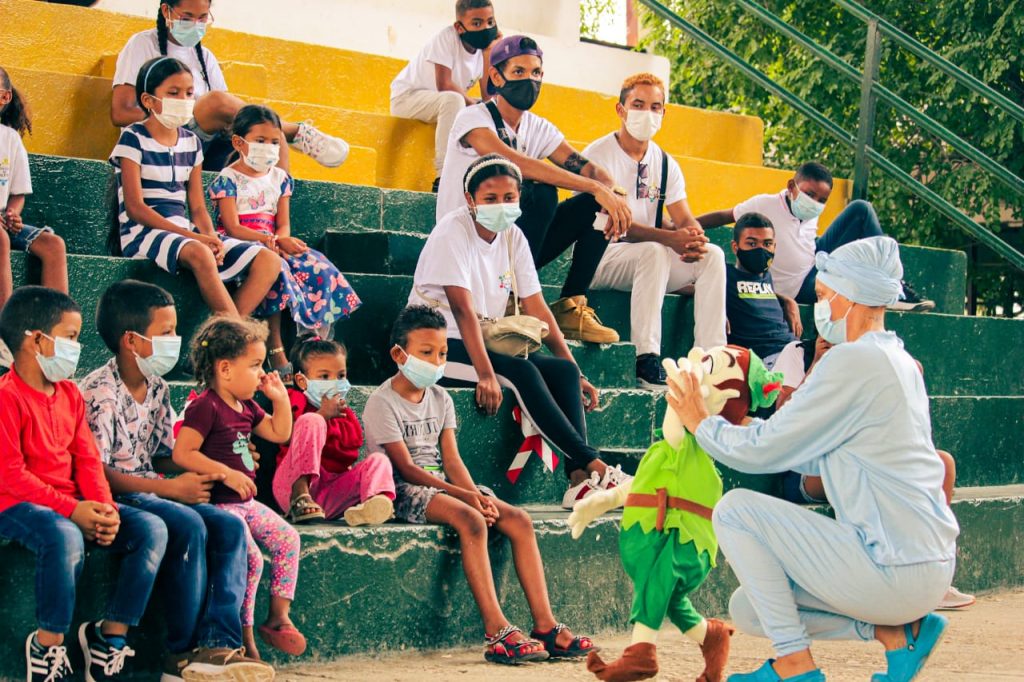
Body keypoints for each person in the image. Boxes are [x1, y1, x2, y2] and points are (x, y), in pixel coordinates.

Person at [666, 237, 958, 682]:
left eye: (823, 297)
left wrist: (702, 422)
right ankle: (899, 634)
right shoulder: (896, 358)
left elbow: (765, 454)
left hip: (895, 566)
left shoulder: (855, 360)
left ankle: (794, 667)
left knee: (736, 511)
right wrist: (752, 427)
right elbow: (809, 451)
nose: (819, 307)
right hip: (925, 565)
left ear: (851, 297)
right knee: (751, 608)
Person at [363, 304, 599, 665]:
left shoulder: (441, 398)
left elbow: (453, 460)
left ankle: (546, 626)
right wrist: (467, 499)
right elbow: (406, 470)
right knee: (471, 520)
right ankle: (497, 630)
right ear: (399, 354)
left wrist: (474, 493)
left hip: (445, 486)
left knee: (518, 519)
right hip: (401, 492)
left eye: (442, 353)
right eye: (426, 353)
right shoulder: (382, 402)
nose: (436, 361)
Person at [411, 155, 631, 508]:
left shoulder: (513, 236)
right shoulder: (453, 231)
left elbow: (537, 306)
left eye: (509, 198)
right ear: (470, 200)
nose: (501, 206)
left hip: (483, 337)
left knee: (561, 371)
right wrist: (485, 375)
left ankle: (579, 480)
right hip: (434, 344)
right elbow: (462, 311)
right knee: (521, 372)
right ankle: (595, 464)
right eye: (490, 199)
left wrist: (574, 368)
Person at [80, 280, 274, 681]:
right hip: (122, 494)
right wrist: (172, 488)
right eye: (165, 332)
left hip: (153, 487)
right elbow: (97, 472)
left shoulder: (158, 387)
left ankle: (218, 643)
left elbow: (164, 454)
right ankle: (180, 653)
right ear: (131, 340)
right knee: (188, 524)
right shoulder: (100, 392)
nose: (174, 339)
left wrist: (217, 467)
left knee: (230, 526)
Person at [0, 286, 168, 682]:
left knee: (150, 529)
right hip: (15, 504)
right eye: (70, 337)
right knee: (64, 536)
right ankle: (48, 645)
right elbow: (9, 474)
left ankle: (109, 638)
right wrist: (72, 509)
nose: (76, 347)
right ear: (37, 339)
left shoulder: (70, 395)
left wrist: (103, 507)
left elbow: (87, 459)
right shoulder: (7, 397)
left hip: (70, 500)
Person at [435, 35, 632, 344]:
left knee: (596, 205)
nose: (530, 80)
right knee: (541, 192)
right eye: (519, 72)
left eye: (536, 72)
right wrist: (594, 187)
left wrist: (609, 189)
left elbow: (587, 167)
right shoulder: (473, 118)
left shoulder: (538, 127)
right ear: (497, 77)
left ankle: (571, 305)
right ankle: (511, 298)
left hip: (510, 246)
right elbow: (512, 162)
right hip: (469, 245)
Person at [109, 57, 284, 320]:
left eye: (189, 93)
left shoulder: (192, 143)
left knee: (269, 261)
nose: (184, 99)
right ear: (148, 100)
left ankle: (222, 329)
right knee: (200, 252)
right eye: (173, 93)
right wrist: (197, 240)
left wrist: (211, 235)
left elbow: (198, 207)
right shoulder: (133, 137)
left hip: (187, 234)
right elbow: (135, 209)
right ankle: (236, 332)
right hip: (143, 234)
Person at [584, 72, 726, 389]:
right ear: (621, 109)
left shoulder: (664, 163)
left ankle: (711, 360)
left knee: (713, 256)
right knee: (654, 250)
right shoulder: (599, 155)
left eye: (655, 106)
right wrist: (670, 238)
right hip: (600, 259)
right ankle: (646, 358)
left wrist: (693, 238)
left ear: (663, 112)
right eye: (638, 104)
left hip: (647, 261)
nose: (647, 113)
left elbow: (684, 217)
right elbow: (616, 225)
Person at [172, 316, 303, 660]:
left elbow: (279, 433)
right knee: (253, 561)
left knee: (288, 538)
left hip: (247, 503)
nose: (262, 373)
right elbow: (183, 452)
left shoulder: (247, 406)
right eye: (255, 365)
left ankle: (278, 617)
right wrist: (224, 473)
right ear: (226, 369)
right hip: (221, 507)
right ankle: (244, 634)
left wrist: (281, 399)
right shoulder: (205, 406)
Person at [208, 104, 362, 374]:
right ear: (238, 142)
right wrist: (272, 242)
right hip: (242, 241)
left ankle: (313, 341)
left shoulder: (280, 178)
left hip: (272, 240)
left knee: (318, 266)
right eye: (260, 141)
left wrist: (282, 240)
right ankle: (275, 348)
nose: (268, 147)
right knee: (278, 267)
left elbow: (284, 223)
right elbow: (231, 226)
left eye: (274, 142)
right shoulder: (228, 178)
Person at [110, 0, 348, 172]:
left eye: (202, 18)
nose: (195, 24)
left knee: (262, 138)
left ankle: (278, 197)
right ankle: (294, 131)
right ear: (166, 11)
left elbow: (226, 117)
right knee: (218, 103)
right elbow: (120, 113)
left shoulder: (206, 57)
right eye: (187, 17)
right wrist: (173, 113)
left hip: (205, 149)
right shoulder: (142, 44)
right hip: (161, 140)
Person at [697, 162, 935, 312]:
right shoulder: (765, 204)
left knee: (861, 210)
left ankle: (895, 286)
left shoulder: (811, 214)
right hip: (800, 286)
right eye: (809, 194)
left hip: (816, 261)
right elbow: (724, 215)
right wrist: (684, 224)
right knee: (847, 282)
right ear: (792, 187)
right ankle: (887, 290)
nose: (815, 203)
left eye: (822, 200)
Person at [271, 336, 396, 525]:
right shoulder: (294, 400)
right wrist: (322, 415)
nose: (335, 382)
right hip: (289, 488)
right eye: (324, 376)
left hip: (328, 496)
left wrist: (332, 418)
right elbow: (286, 436)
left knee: (378, 460)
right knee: (312, 420)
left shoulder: (344, 415)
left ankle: (373, 504)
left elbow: (349, 453)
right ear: (302, 381)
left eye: (341, 375)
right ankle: (301, 494)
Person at [390, 0, 501, 190]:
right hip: (407, 98)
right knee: (456, 100)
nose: (486, 28)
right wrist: (477, 106)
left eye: (490, 22)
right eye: (476, 23)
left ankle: (487, 179)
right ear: (459, 27)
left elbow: (489, 97)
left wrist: (489, 52)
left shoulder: (482, 52)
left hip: (441, 104)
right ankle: (444, 177)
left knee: (490, 111)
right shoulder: (446, 38)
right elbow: (444, 84)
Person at [0, 67, 69, 312]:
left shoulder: (10, 139)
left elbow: (17, 192)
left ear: (4, 98)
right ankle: (5, 327)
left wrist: (13, 214)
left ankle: (58, 327)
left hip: (2, 218)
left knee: (54, 245)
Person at [725, 212, 810, 402]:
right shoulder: (725, 274)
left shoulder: (766, 277)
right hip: (767, 358)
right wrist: (714, 304)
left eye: (767, 244)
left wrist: (787, 300)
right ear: (735, 247)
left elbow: (760, 292)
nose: (761, 250)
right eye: (752, 243)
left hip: (792, 348)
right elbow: (680, 285)